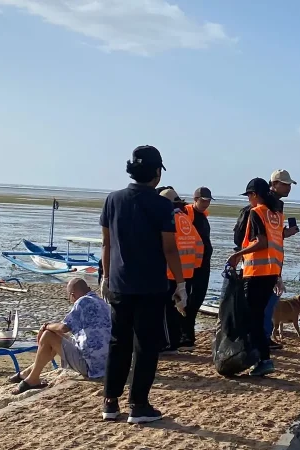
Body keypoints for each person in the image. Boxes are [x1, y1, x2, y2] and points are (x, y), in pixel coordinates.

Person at [99, 145, 188, 424]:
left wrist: (104, 277)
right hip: (150, 286)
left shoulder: (112, 199)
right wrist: (181, 284)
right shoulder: (162, 204)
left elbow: (107, 243)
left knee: (118, 342)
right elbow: (170, 249)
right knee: (146, 346)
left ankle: (110, 403)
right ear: (157, 173)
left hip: (119, 284)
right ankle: (138, 405)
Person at [232, 169, 299, 350]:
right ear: (273, 184)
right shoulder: (261, 210)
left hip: (264, 268)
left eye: (289, 184)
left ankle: (259, 347)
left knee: (258, 311)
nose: (288, 188)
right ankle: (260, 346)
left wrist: (284, 233)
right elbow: (252, 239)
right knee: (259, 311)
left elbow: (268, 239)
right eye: (285, 184)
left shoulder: (273, 210)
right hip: (260, 267)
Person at [10, 278, 111, 394]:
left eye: (69, 298)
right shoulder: (102, 303)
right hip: (107, 364)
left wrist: (46, 326)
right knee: (55, 336)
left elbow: (64, 328)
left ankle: (32, 379)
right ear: (88, 289)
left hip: (92, 368)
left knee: (48, 335)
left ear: (72, 295)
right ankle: (28, 372)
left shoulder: (82, 302)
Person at [227, 177, 285, 377]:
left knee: (253, 318)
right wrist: (278, 275)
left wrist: (237, 254)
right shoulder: (276, 215)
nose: (249, 200)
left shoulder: (256, 212)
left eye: (249, 195)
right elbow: (277, 244)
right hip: (270, 272)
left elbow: (261, 242)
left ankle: (262, 359)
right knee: (257, 316)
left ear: (254, 195)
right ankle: (259, 356)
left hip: (256, 273)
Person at [158, 187, 204, 353]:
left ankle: (168, 344)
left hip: (171, 272)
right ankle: (175, 341)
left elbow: (166, 247)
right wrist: (194, 267)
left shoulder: (169, 219)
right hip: (187, 273)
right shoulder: (185, 219)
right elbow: (200, 245)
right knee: (178, 308)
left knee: (166, 310)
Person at [182, 186, 214, 350]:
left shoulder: (203, 216)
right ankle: (185, 335)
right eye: (203, 201)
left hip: (203, 264)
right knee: (188, 300)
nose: (206, 204)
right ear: (195, 199)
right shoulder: (187, 213)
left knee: (197, 299)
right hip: (190, 265)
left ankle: (187, 333)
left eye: (208, 201)